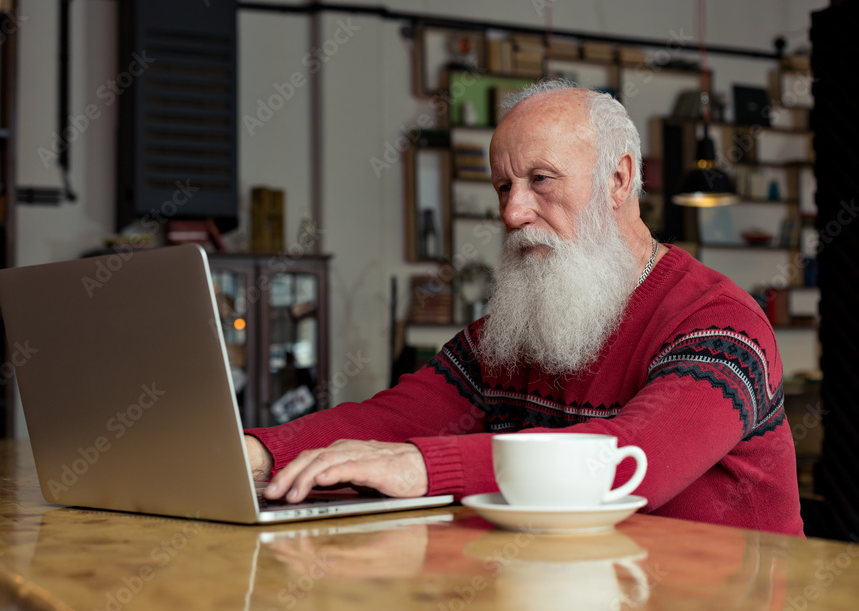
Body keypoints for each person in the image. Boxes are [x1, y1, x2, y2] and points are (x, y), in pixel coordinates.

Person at [245, 79, 804, 537]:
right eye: (503, 187)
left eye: (540, 180)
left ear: (619, 178)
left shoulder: (721, 323)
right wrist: (259, 453)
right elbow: (399, 415)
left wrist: (422, 467)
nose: (512, 213)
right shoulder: (513, 332)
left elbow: (634, 461)